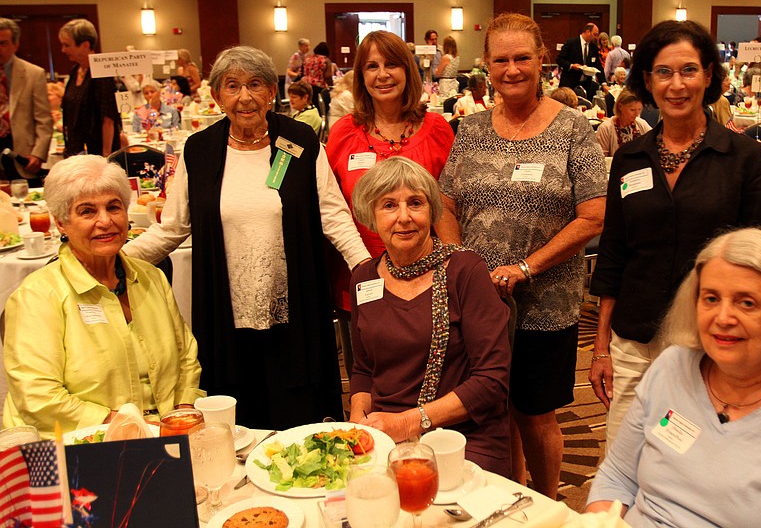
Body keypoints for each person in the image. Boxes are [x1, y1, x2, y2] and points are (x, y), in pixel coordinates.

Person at [124, 46, 370, 428]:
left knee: (300, 419)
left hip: (295, 316)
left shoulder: (300, 141)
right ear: (216, 95)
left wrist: (365, 266)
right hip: (226, 318)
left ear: (273, 91)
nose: (245, 97)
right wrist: (112, 260)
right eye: (232, 86)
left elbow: (333, 214)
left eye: (255, 84)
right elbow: (172, 227)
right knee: (237, 421)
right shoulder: (200, 150)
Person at [437, 13, 607, 499]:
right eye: (501, 59)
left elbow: (593, 217)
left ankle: (547, 500)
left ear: (542, 61)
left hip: (545, 302)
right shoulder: (469, 129)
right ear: (486, 66)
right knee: (492, 404)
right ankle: (511, 494)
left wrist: (527, 267)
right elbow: (445, 203)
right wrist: (460, 261)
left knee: (535, 410)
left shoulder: (575, 129)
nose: (512, 69)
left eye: (522, 58)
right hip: (477, 299)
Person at [588, 20, 761, 447]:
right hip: (635, 335)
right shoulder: (630, 158)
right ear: (647, 80)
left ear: (709, 76)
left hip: (708, 341)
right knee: (624, 452)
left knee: (687, 452)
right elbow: (613, 254)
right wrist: (600, 346)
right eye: (664, 72)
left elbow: (760, 263)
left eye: (688, 70)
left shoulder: (743, 158)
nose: (677, 85)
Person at [586, 228, 761, 526]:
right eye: (711, 298)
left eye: (746, 302)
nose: (723, 318)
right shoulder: (672, 366)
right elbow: (618, 475)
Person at [2, 155, 205, 436]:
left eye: (114, 207)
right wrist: (135, 428)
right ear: (61, 223)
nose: (105, 221)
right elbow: (37, 396)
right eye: (87, 212)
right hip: (80, 448)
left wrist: (181, 415)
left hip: (165, 437)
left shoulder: (151, 278)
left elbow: (186, 359)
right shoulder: (37, 297)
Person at [348, 156, 511, 476]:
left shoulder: (465, 271)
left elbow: (492, 381)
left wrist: (408, 421)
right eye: (389, 205)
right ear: (371, 215)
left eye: (416, 203)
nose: (404, 217)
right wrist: (359, 421)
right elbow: (363, 368)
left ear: (432, 210)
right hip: (384, 435)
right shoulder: (363, 278)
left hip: (462, 436)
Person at [325, 30, 454, 316]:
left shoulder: (437, 130)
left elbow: (450, 205)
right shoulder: (344, 133)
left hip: (428, 279)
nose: (382, 75)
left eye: (392, 64)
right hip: (358, 276)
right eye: (372, 66)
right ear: (361, 76)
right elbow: (330, 206)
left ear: (407, 70)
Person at [58, 19, 120, 158]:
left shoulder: (101, 72)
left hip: (96, 152)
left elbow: (108, 118)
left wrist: (106, 156)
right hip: (77, 150)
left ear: (85, 45)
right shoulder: (75, 70)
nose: (63, 50)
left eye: (67, 45)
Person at [0, 18, 52, 185]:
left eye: (3, 43)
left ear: (15, 45)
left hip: (21, 155)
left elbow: (44, 120)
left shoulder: (33, 74)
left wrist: (38, 154)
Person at [595, 89, 651, 156]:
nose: (637, 114)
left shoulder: (641, 124)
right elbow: (602, 158)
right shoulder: (606, 128)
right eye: (632, 110)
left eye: (639, 109)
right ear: (620, 106)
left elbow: (654, 143)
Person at [556, 23, 604, 95]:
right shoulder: (571, 43)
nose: (596, 37)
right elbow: (559, 59)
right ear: (588, 32)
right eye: (595, 34)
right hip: (569, 84)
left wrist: (604, 83)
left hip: (586, 86)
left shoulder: (593, 47)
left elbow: (598, 65)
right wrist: (571, 66)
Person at [301, 42, 333, 109]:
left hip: (304, 85)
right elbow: (328, 76)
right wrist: (331, 87)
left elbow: (302, 71)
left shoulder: (307, 58)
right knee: (320, 107)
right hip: (318, 86)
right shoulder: (325, 60)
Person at [435, 35, 460, 100]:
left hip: (445, 83)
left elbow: (437, 73)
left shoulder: (446, 57)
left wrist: (436, 70)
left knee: (445, 101)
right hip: (454, 82)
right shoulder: (457, 57)